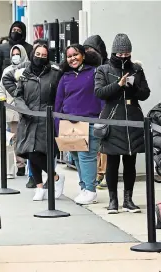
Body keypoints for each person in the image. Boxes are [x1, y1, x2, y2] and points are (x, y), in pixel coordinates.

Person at [95, 33, 150, 214]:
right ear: (114, 53)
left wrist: (133, 87)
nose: (124, 57)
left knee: (130, 161)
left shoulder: (137, 69)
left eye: (127, 53)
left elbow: (145, 94)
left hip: (133, 117)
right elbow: (100, 93)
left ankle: (128, 200)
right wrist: (118, 85)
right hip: (112, 117)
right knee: (112, 162)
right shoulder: (103, 69)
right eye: (121, 54)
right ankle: (113, 200)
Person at [2, 44, 65, 201]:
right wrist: (24, 110)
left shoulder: (54, 73)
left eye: (44, 55)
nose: (40, 57)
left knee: (39, 153)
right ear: (32, 54)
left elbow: (61, 93)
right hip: (28, 118)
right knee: (29, 153)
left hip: (46, 119)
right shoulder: (24, 72)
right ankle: (40, 186)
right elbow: (17, 93)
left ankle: (55, 177)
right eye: (37, 54)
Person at [55, 44, 103, 205]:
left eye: (75, 55)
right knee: (75, 156)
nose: (72, 58)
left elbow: (101, 97)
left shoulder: (94, 73)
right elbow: (59, 101)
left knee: (86, 156)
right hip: (69, 122)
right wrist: (57, 124)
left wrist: (102, 120)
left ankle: (90, 190)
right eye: (69, 56)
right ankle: (84, 187)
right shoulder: (65, 77)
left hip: (89, 121)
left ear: (83, 55)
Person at [0, 44, 29, 177]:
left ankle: (28, 163)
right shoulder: (7, 71)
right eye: (13, 54)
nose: (16, 56)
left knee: (27, 136)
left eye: (18, 54)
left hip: (27, 109)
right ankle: (20, 164)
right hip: (11, 109)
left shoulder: (29, 68)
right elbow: (1, 88)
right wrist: (2, 100)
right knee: (16, 138)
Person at [83, 35, 109, 189]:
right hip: (90, 109)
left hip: (104, 108)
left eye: (91, 49)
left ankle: (103, 173)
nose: (88, 52)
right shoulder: (84, 68)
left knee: (104, 145)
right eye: (86, 50)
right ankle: (97, 174)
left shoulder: (106, 66)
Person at [0, 21, 33, 87]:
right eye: (14, 30)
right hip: (6, 84)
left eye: (18, 30)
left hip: (24, 84)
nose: (15, 32)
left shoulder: (29, 48)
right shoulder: (2, 48)